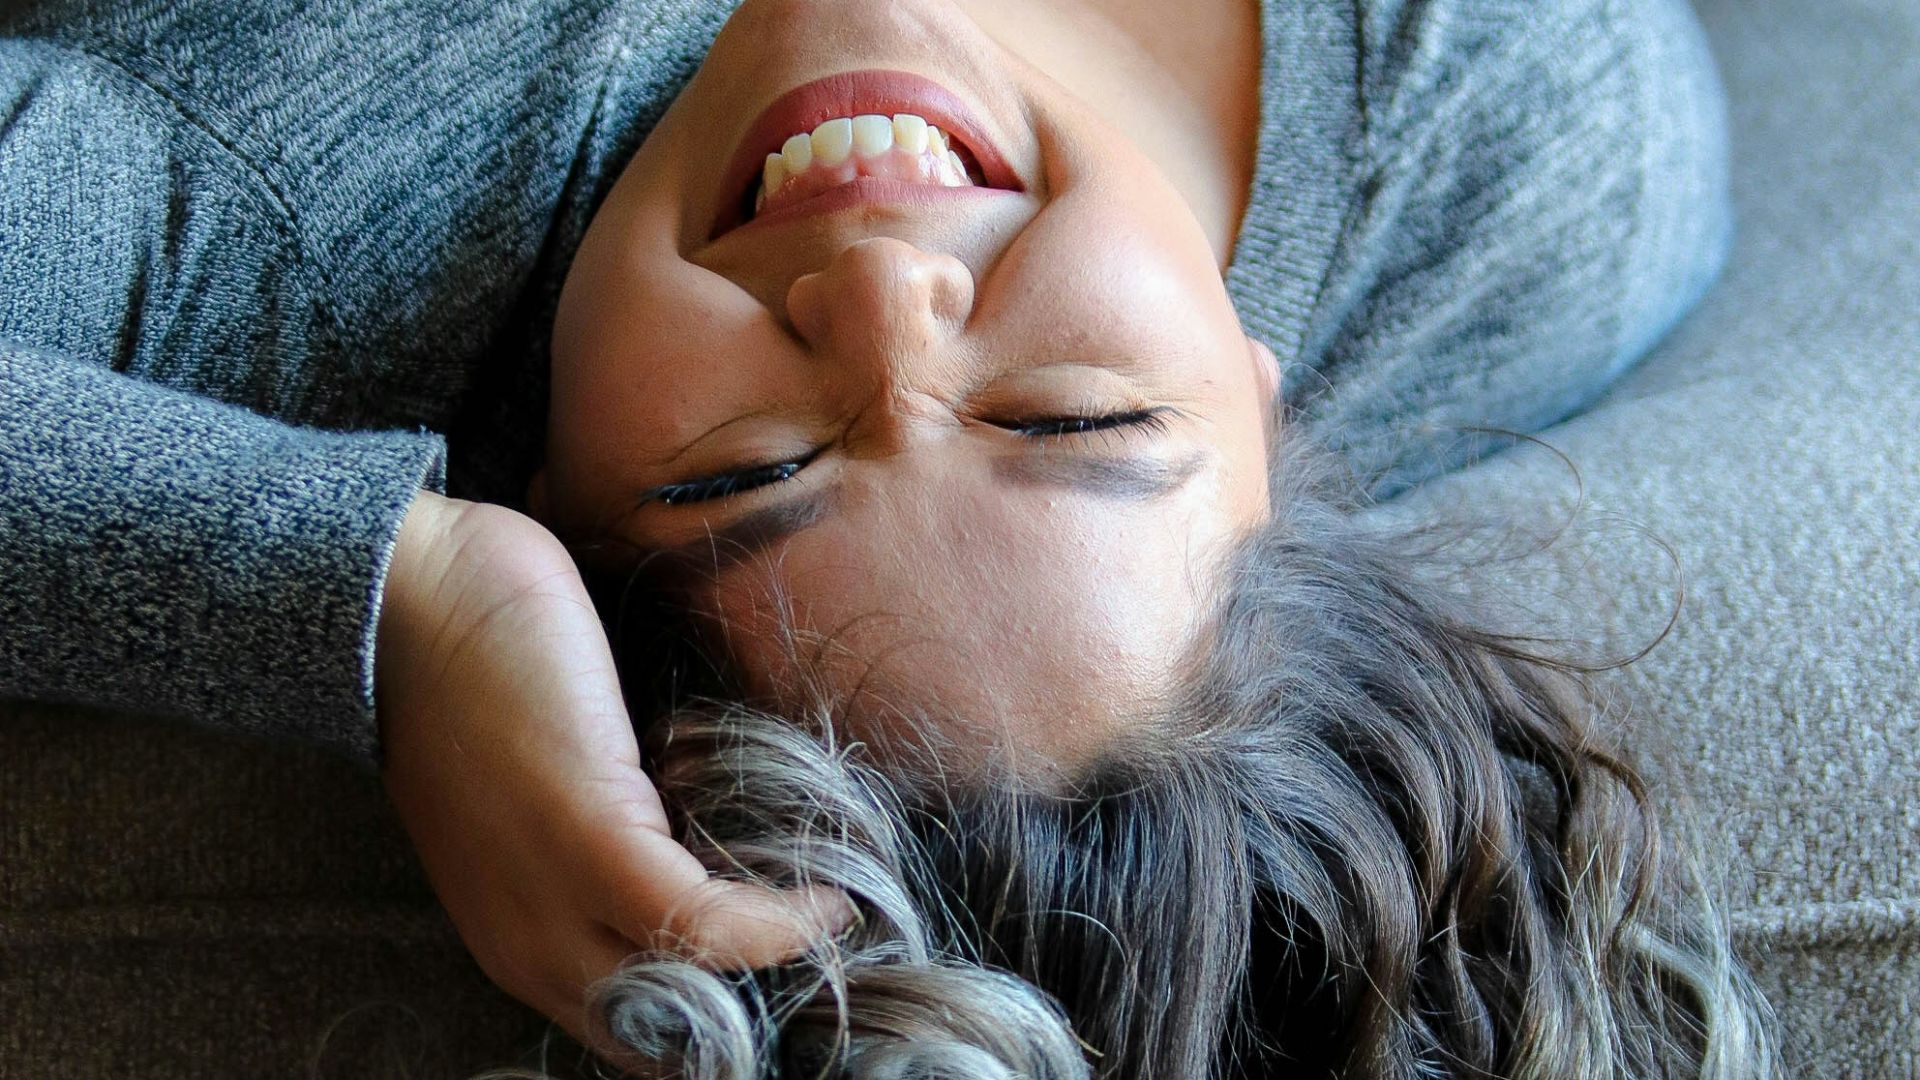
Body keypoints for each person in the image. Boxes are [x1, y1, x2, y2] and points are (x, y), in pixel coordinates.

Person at [0, 0, 1772, 1074]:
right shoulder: (1525, 145)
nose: (885, 298)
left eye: (742, 472)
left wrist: (393, 598)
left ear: (543, 478)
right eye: (1076, 417)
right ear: (1269, 394)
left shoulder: (266, 192)